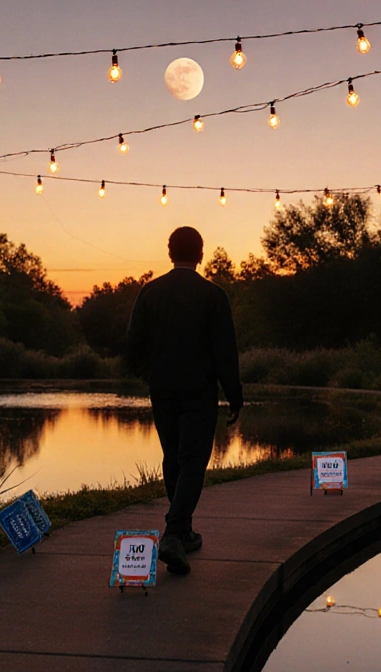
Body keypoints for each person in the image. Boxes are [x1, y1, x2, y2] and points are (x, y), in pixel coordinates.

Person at [126, 226, 243, 575]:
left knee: (174, 458)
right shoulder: (213, 295)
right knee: (192, 460)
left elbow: (133, 347)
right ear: (201, 253)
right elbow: (226, 351)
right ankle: (175, 533)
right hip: (199, 391)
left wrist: (152, 374)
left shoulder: (149, 292)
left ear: (169, 251)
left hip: (162, 390)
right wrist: (234, 394)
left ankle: (184, 531)